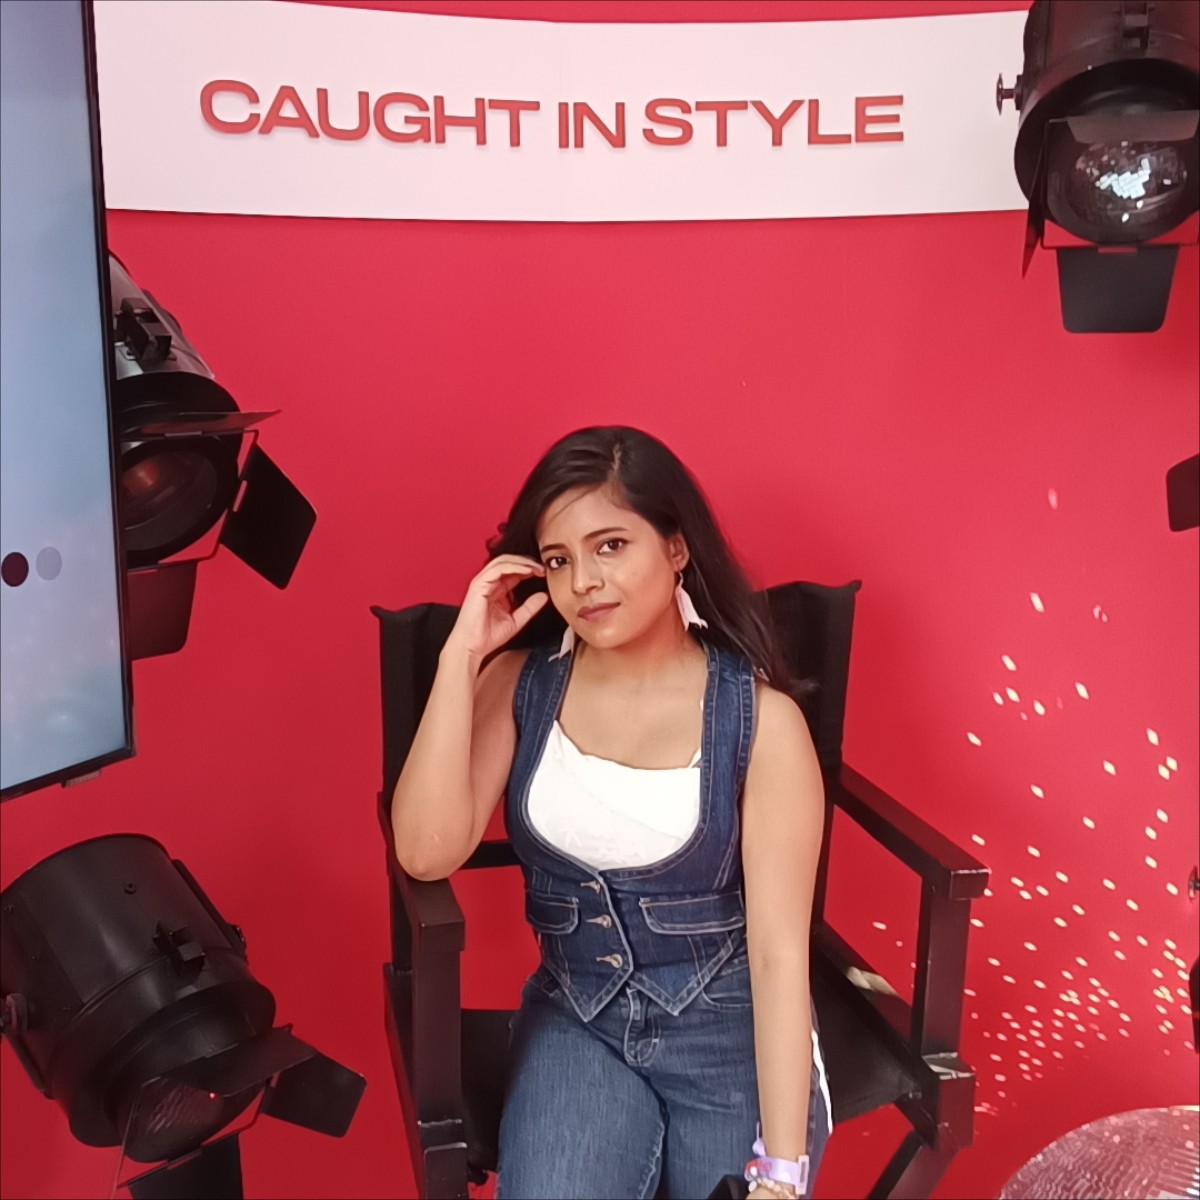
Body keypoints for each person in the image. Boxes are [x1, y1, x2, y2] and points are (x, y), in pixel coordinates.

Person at [392, 426, 831, 1200]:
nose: (584, 582)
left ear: (676, 547)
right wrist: (462, 654)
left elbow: (777, 956)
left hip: (729, 1029)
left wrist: (782, 1171)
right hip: (577, 1019)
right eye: (559, 560)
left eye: (610, 546)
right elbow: (426, 851)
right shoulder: (519, 685)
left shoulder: (761, 724)